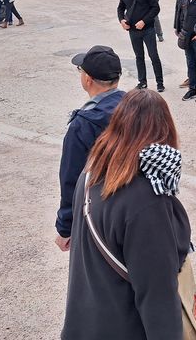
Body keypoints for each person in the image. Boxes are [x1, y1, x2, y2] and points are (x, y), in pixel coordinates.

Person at [61, 89, 191, 339]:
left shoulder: (91, 172)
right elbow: (158, 296)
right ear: (166, 131)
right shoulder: (146, 202)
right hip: (125, 326)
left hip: (85, 321)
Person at [55, 45, 125, 252]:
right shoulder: (136, 105)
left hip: (100, 210)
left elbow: (71, 178)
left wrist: (65, 227)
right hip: (136, 202)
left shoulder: (84, 123)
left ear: (88, 79)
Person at [117, 0, 164, 92]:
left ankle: (160, 82)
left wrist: (144, 21)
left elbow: (155, 8)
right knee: (139, 56)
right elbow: (120, 7)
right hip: (132, 30)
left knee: (153, 55)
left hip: (148, 28)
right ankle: (142, 82)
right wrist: (121, 20)